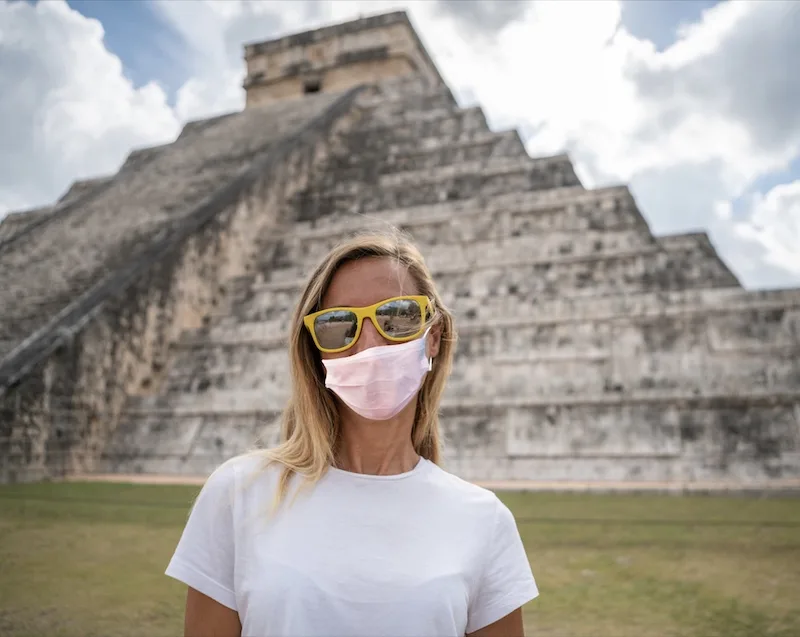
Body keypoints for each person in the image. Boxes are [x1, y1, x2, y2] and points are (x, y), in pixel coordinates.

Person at [165, 231, 539, 637]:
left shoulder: (484, 520)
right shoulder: (239, 492)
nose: (368, 343)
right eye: (337, 325)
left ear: (432, 337)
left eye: (398, 316)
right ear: (315, 351)